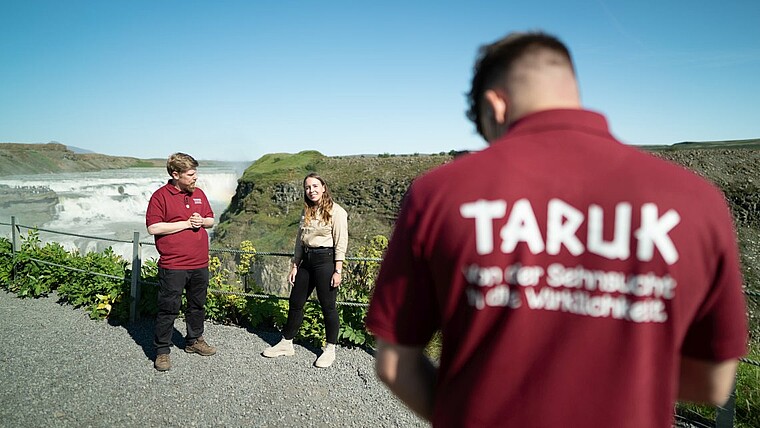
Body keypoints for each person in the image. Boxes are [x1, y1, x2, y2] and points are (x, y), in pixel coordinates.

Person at [365, 31, 748, 427]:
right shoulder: (697, 201)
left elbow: (395, 363)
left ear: (496, 105)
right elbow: (714, 383)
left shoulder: (438, 194)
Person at [262, 172, 349, 368]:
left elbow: (341, 242)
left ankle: (330, 349)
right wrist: (295, 265)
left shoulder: (337, 212)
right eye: (308, 187)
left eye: (315, 186)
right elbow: (299, 240)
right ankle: (286, 343)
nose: (311, 190)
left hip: (325, 260)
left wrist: (338, 270)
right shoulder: (307, 211)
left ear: (323, 187)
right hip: (307, 261)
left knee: (328, 305)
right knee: (296, 301)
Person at [147, 152, 217, 372]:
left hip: (199, 263)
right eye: (191, 174)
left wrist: (201, 221)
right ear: (175, 174)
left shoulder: (199, 194)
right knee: (168, 308)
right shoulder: (160, 196)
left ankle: (194, 341)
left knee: (197, 305)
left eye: (195, 173)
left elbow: (211, 220)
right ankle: (162, 351)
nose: (195, 178)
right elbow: (153, 228)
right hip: (173, 265)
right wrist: (186, 224)